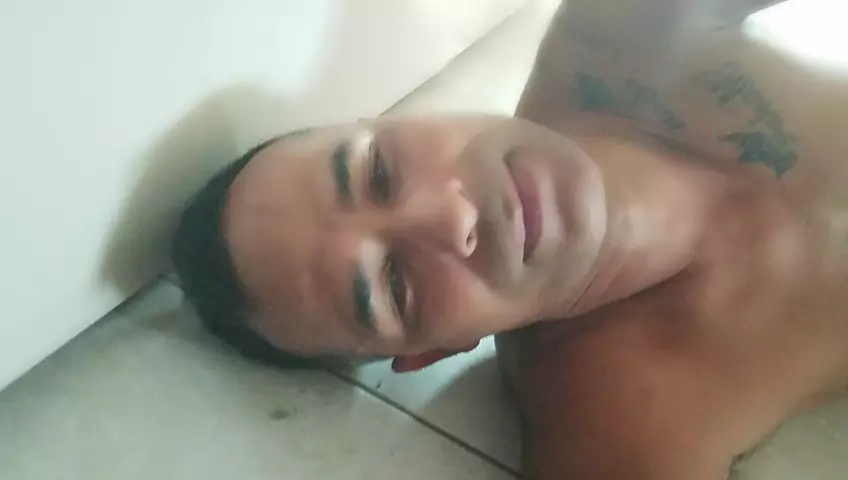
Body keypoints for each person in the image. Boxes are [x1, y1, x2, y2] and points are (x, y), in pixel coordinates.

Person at [172, 0, 848, 478]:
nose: (451, 217)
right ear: (434, 350)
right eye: (394, 286)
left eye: (378, 172)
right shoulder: (618, 426)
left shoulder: (618, 31)